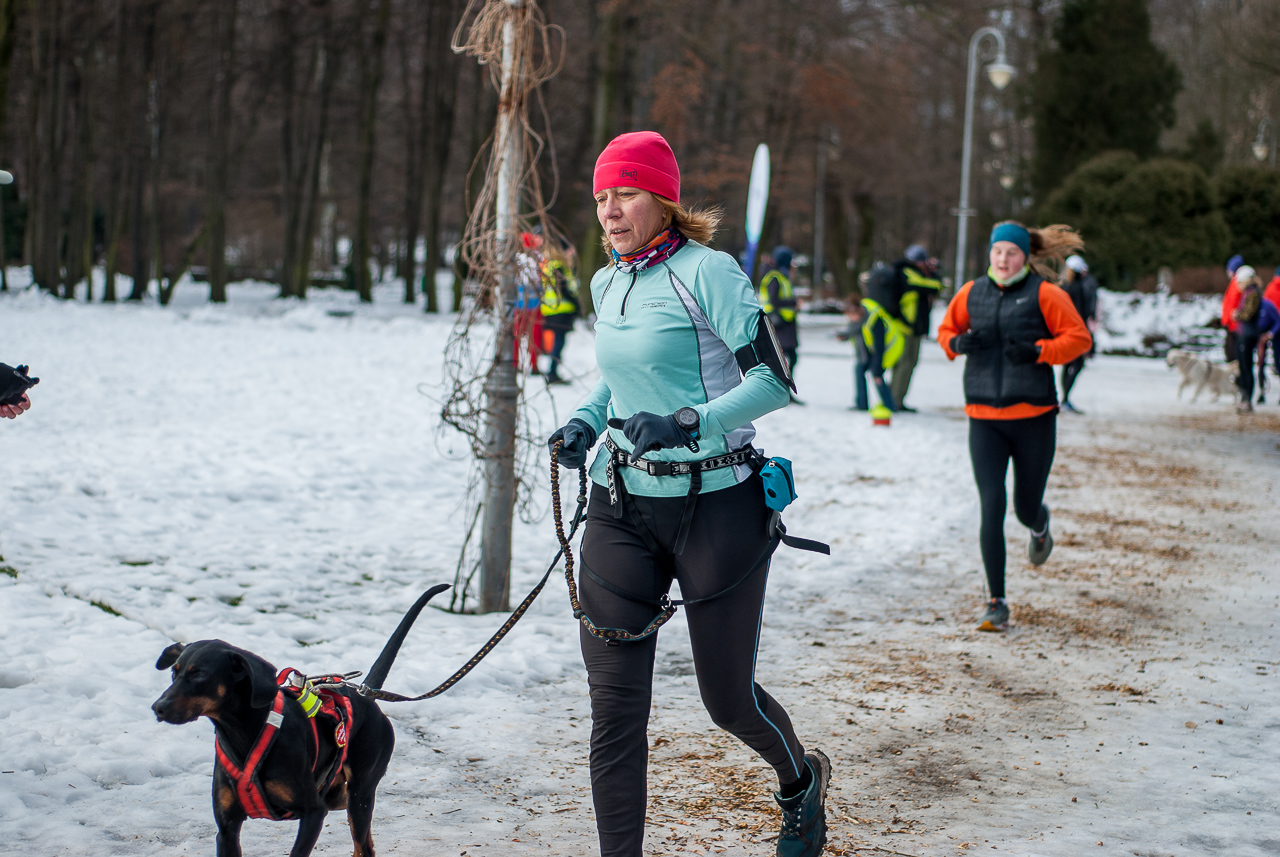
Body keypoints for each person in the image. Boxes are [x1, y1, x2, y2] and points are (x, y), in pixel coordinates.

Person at [547, 130, 830, 857]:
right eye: (602, 197)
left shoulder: (710, 273)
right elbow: (621, 378)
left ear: (663, 200)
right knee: (613, 710)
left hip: (719, 506)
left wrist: (686, 422)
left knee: (726, 700)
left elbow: (774, 382)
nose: (611, 211)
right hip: (623, 505)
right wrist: (585, 421)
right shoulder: (607, 280)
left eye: (627, 194)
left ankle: (800, 785)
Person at [937, 221, 1092, 632]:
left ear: (1025, 257)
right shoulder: (972, 292)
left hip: (1034, 419)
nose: (1003, 260)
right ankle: (996, 601)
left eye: (1012, 253)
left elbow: (1079, 339)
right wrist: (957, 344)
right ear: (990, 253)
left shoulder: (1047, 294)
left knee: (1024, 506)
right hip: (984, 419)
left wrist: (1039, 351)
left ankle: (1039, 526)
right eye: (997, 251)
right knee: (992, 505)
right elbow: (946, 331)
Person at [887, 245, 943, 411]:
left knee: (908, 363)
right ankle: (894, 400)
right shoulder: (908, 273)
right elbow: (934, 286)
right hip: (906, 327)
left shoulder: (906, 271)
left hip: (910, 327)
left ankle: (896, 399)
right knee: (905, 363)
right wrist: (933, 273)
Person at [838, 293, 901, 411]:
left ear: (859, 310)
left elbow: (879, 346)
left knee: (877, 375)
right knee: (859, 369)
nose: (850, 319)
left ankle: (890, 407)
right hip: (869, 352)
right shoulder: (859, 319)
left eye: (851, 316)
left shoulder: (874, 319)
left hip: (888, 348)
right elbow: (856, 330)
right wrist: (845, 336)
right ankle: (862, 404)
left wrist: (877, 367)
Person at [759, 246, 801, 401]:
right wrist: (793, 302)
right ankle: (780, 392)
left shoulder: (780, 275)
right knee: (784, 359)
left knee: (789, 358)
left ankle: (785, 391)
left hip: (785, 323)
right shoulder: (775, 276)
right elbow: (774, 300)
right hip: (779, 323)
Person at [1059, 254, 1099, 414]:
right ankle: (1065, 399)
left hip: (1065, 330)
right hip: (1076, 332)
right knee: (1077, 364)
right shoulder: (1079, 288)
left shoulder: (1065, 287)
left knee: (1068, 364)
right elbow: (1084, 310)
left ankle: (1065, 399)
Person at [539, 244, 580, 385]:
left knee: (557, 341)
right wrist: (576, 304)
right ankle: (552, 372)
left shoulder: (549, 266)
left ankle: (552, 370)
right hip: (561, 309)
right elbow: (564, 289)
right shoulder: (558, 267)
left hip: (551, 308)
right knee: (559, 342)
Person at [1232, 266, 1264, 413]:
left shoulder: (1253, 293)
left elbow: (1249, 314)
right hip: (1244, 333)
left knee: (1246, 367)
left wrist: (1237, 315)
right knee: (1243, 366)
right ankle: (1244, 397)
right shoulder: (1249, 292)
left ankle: (1247, 400)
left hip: (1248, 334)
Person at [1220, 254, 1246, 364]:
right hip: (1232, 323)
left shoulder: (1237, 283)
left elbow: (1233, 304)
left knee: (1232, 354)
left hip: (1234, 324)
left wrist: (1228, 320)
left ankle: (1237, 378)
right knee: (1230, 352)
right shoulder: (1235, 282)